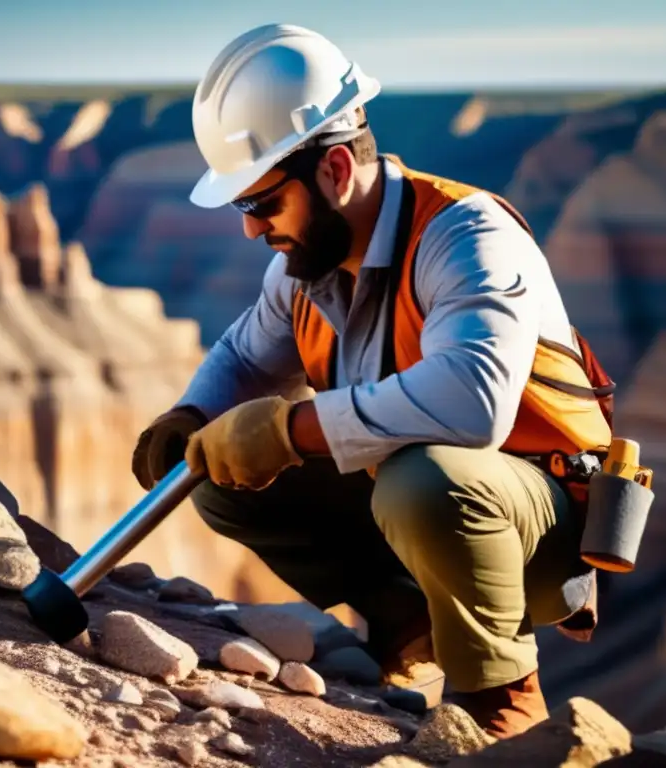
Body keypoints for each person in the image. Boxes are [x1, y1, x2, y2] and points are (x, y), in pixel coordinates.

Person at [130, 23, 617, 739]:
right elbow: (242, 356)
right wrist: (192, 413)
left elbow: (473, 400)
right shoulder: (306, 265)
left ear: (332, 171)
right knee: (216, 469)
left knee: (423, 480)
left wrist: (289, 430)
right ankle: (405, 622)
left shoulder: (467, 236)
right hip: (418, 509)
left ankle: (503, 709)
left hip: (535, 524)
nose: (251, 229)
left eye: (260, 203)